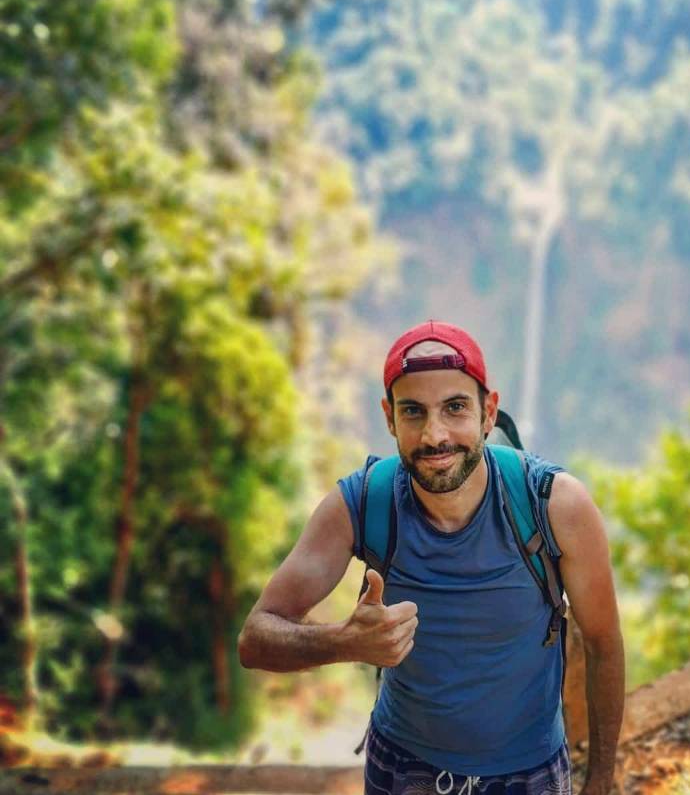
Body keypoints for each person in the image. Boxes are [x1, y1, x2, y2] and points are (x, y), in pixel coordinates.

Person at [238, 320, 625, 795]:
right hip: (403, 768)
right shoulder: (363, 503)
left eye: (455, 407)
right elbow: (255, 639)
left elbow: (603, 642)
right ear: (389, 418)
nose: (434, 435)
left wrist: (600, 781)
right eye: (413, 412)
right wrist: (344, 642)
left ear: (488, 412)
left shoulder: (554, 505)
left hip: (529, 773)